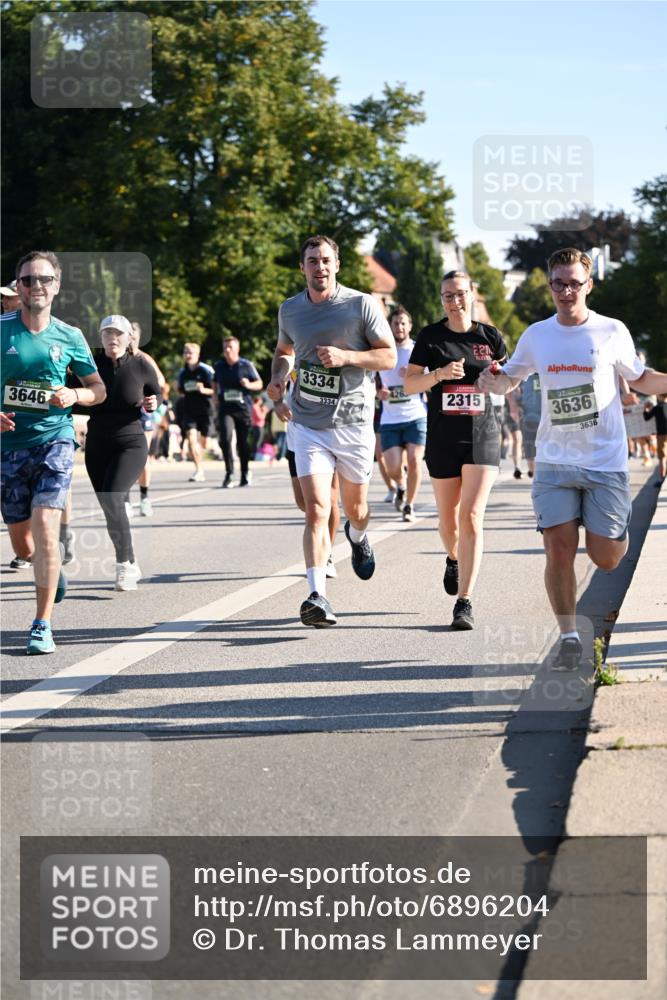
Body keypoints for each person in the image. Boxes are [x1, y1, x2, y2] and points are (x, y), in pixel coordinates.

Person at [478, 247, 667, 669]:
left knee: (606, 558)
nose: (566, 291)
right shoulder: (537, 335)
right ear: (549, 286)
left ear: (588, 284)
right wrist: (490, 381)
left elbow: (639, 377)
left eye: (574, 283)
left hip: (604, 461)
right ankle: (567, 636)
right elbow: (508, 379)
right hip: (554, 461)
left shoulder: (611, 331)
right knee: (558, 550)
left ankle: (610, 534)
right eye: (559, 283)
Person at [267, 234, 396, 627]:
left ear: (336, 264)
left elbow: (388, 355)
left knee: (356, 510)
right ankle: (317, 595)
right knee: (316, 510)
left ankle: (356, 536)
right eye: (311, 261)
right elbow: (284, 352)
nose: (319, 267)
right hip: (307, 422)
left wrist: (347, 356)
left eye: (325, 260)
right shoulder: (290, 310)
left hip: (353, 422)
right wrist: (277, 383)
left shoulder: (361, 305)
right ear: (302, 267)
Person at [0, 250, 105, 654]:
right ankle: (49, 569)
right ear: (18, 287)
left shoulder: (70, 335)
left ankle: (41, 624)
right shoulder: (3, 330)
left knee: (46, 530)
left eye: (44, 279)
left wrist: (74, 393)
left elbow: (98, 390)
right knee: (22, 545)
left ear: (56, 286)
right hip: (9, 447)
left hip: (54, 440)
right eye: (28, 280)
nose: (36, 287)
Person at [404, 270, 508, 630]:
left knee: (472, 516)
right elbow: (409, 382)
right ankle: (453, 557)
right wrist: (439, 375)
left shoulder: (490, 336)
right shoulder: (431, 337)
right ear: (442, 299)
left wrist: (496, 382)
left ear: (472, 294)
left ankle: (464, 602)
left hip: (483, 436)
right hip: (444, 438)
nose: (455, 300)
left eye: (460, 293)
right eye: (448, 295)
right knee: (448, 522)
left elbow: (505, 381)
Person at [84, 315, 161, 592]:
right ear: (100, 338)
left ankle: (124, 566)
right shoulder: (91, 366)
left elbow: (157, 394)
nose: (112, 339)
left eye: (118, 334)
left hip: (130, 441)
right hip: (96, 444)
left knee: (114, 498)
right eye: (106, 334)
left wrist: (153, 403)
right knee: (109, 506)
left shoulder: (141, 364)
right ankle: (130, 556)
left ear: (129, 338)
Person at [377, 306, 427, 522]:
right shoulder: (382, 351)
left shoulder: (418, 350)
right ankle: (401, 485)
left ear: (410, 326)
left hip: (415, 415)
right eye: (396, 323)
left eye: (403, 323)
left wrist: (416, 376)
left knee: (415, 461)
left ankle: (409, 505)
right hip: (390, 418)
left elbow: (432, 379)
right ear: (391, 326)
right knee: (393, 467)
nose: (399, 327)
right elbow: (369, 380)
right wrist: (378, 393)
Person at [127, 320, 167, 516]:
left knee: (142, 457)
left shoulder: (145, 359)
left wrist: (149, 395)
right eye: (127, 333)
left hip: (143, 413)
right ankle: (125, 499)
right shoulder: (117, 358)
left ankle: (144, 498)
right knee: (123, 457)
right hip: (123, 413)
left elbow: (161, 383)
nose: (131, 337)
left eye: (134, 333)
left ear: (139, 336)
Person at [213, 336, 263, 488]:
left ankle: (245, 472)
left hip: (243, 409)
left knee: (242, 443)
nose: (227, 350)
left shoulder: (246, 365)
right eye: (225, 347)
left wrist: (249, 384)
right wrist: (215, 396)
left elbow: (259, 383)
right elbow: (215, 383)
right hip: (225, 408)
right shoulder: (219, 366)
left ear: (237, 349)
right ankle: (229, 473)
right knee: (225, 439)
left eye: (230, 347)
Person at [176, 342, 214, 482]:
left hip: (205, 410)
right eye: (185, 352)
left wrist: (204, 390)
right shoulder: (182, 372)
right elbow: (180, 391)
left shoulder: (206, 370)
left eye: (190, 352)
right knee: (192, 440)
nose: (187, 355)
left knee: (204, 443)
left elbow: (216, 390)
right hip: (189, 410)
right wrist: (178, 389)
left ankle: (200, 461)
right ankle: (199, 470)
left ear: (198, 355)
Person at [518, 371, 542, 478]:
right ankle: (535, 476)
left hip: (548, 420)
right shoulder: (524, 374)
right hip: (529, 417)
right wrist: (514, 406)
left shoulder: (552, 373)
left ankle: (540, 476)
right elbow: (512, 389)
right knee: (529, 447)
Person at [643, 393, 667, 485]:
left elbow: (647, 417)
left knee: (662, 458)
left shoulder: (657, 408)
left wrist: (645, 408)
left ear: (659, 396)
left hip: (661, 435)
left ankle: (662, 479)